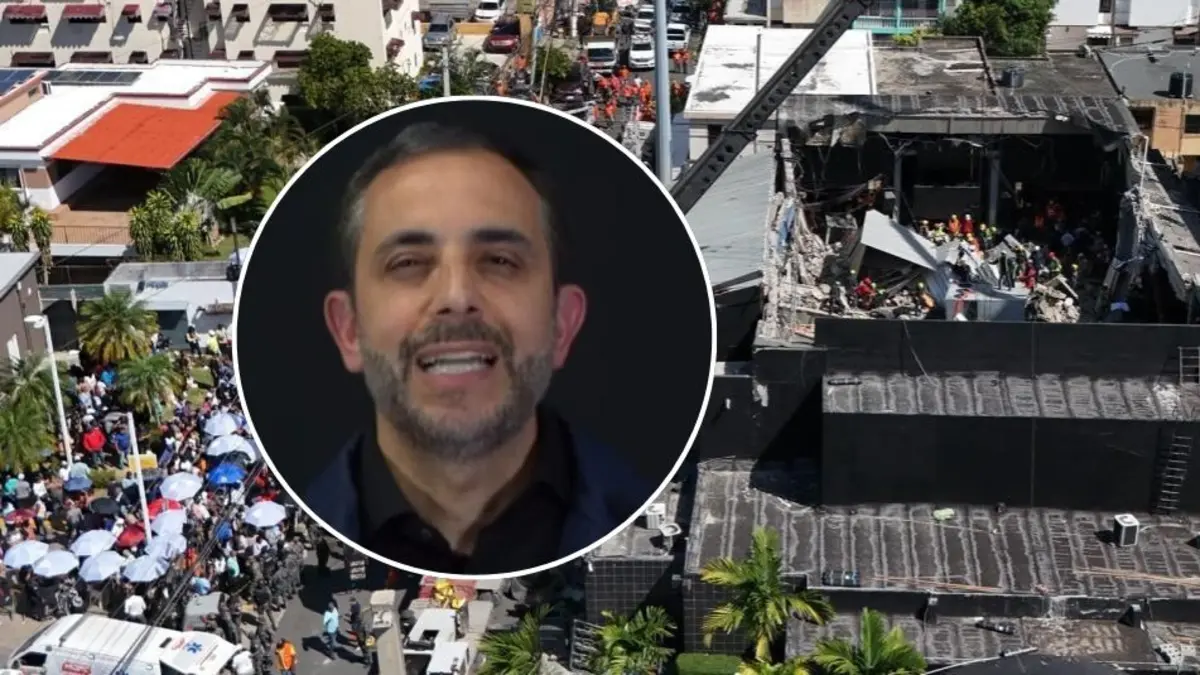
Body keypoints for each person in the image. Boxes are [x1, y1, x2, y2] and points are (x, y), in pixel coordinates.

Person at [306, 121, 650, 574]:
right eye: (408, 263)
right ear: (349, 329)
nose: (456, 297)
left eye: (499, 261)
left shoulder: (639, 514)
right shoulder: (316, 530)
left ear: (562, 324)